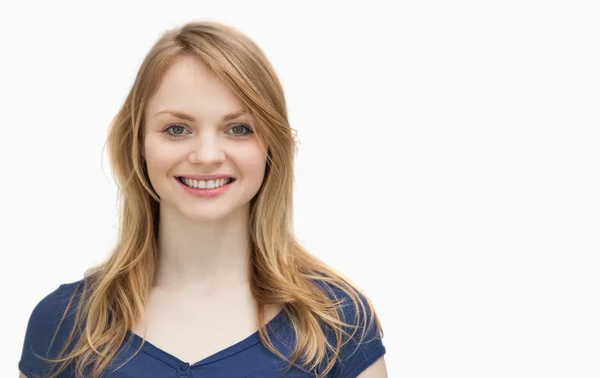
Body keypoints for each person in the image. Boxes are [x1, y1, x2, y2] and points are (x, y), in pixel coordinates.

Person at [18, 20, 387, 378]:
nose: (207, 155)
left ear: (270, 147)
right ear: (138, 145)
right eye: (177, 129)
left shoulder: (337, 322)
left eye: (238, 129)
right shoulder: (63, 326)